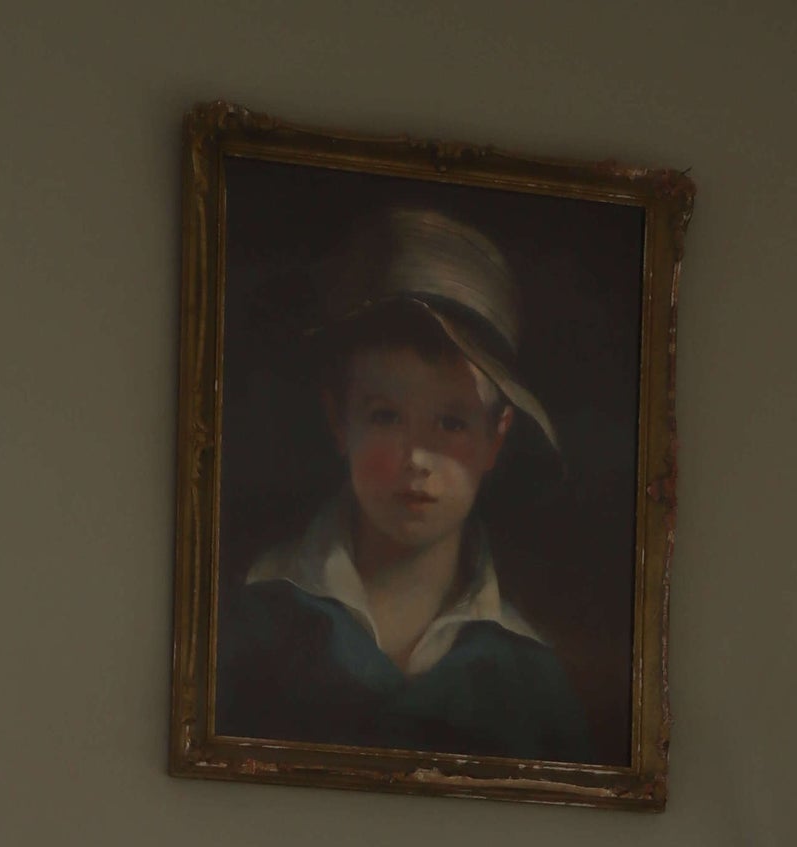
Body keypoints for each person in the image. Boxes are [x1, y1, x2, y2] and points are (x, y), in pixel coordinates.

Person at [218, 210, 593, 764]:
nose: (417, 458)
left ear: (496, 437)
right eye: (386, 416)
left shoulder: (531, 679)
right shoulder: (252, 618)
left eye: (451, 423)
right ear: (338, 421)